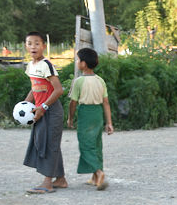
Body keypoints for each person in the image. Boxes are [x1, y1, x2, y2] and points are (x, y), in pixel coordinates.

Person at [22, 31, 67, 193]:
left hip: (51, 110)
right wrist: (26, 105)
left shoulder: (46, 64)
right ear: (25, 46)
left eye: (37, 43)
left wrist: (43, 107)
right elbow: (34, 88)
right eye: (29, 43)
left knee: (49, 144)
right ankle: (60, 179)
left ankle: (47, 183)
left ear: (43, 46)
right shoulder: (30, 65)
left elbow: (58, 90)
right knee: (50, 143)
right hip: (40, 110)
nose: (33, 46)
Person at [67, 47, 114, 190]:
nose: (77, 62)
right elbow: (106, 102)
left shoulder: (79, 82)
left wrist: (70, 118)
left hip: (86, 114)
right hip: (98, 114)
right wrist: (109, 123)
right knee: (96, 144)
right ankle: (95, 177)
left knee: (86, 145)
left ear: (83, 64)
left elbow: (73, 103)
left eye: (78, 59)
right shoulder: (100, 80)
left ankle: (99, 173)